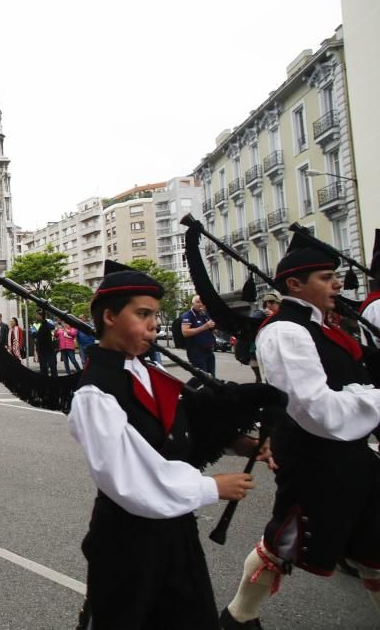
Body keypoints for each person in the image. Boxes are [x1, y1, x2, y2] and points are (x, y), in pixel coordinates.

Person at [69, 262, 275, 629]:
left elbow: (174, 429)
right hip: (129, 540)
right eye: (143, 314)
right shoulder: (95, 392)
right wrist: (211, 486)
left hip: (173, 529)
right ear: (110, 316)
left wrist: (239, 443)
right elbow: (129, 477)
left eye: (155, 315)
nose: (152, 325)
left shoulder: (145, 371)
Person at [221, 244, 380, 628]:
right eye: (326, 278)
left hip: (350, 452)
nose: (337, 285)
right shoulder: (285, 331)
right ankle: (237, 617)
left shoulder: (320, 325)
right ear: (295, 283)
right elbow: (314, 407)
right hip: (315, 458)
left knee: (374, 546)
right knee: (287, 543)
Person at [248, 291, 281, 383]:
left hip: (259, 354)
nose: (279, 307)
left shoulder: (274, 315)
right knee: (266, 380)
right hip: (260, 354)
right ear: (269, 304)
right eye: (277, 304)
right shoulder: (260, 315)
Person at [181, 295, 217, 376]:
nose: (200, 304)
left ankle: (208, 389)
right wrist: (205, 327)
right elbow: (185, 332)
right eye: (198, 302)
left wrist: (215, 328)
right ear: (192, 304)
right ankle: (183, 389)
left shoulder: (205, 315)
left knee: (212, 379)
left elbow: (213, 330)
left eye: (202, 302)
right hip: (196, 352)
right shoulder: (188, 315)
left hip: (209, 351)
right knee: (201, 378)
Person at [34, 311, 57, 377]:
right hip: (41, 348)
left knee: (52, 365)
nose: (36, 316)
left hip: (49, 347)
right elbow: (33, 333)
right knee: (43, 366)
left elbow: (52, 327)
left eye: (37, 315)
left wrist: (45, 322)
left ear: (41, 316)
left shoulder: (48, 322)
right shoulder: (35, 324)